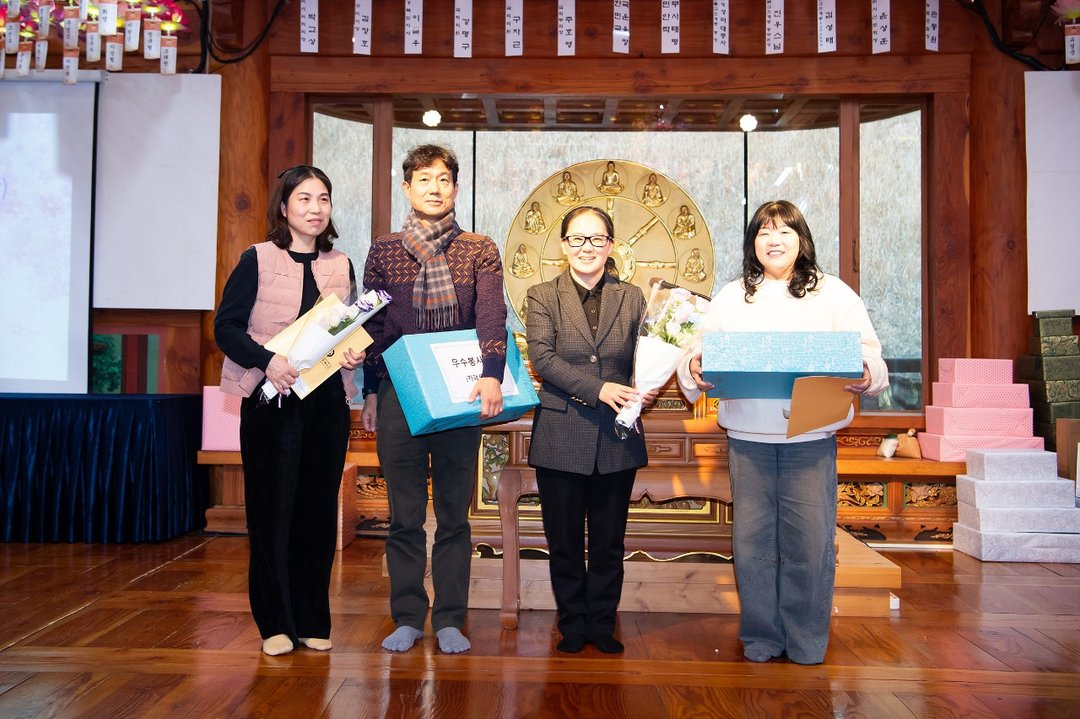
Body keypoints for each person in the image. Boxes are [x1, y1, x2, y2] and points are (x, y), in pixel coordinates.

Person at [677, 200, 887, 665]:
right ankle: (761, 635)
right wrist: (693, 367)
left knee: (809, 543)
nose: (774, 240)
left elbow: (873, 357)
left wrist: (866, 372)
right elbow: (696, 354)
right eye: (764, 232)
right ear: (752, 243)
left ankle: (806, 639)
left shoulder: (833, 294)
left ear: (801, 240)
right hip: (748, 439)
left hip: (810, 440)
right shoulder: (732, 296)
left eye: (784, 231)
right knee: (752, 544)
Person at [360, 145, 507, 654]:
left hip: (459, 393)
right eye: (424, 179)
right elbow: (373, 325)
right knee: (403, 515)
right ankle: (406, 616)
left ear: (456, 188)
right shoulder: (384, 251)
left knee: (453, 515)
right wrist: (370, 390)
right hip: (398, 393)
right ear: (407, 188)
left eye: (443, 179)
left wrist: (491, 376)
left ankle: (449, 619)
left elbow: (491, 315)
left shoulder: (479, 248)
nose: (434, 188)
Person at [214, 165, 364, 656]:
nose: (315, 209)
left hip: (326, 403)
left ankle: (312, 618)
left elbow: (347, 330)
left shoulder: (341, 264)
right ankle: (274, 623)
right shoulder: (257, 258)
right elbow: (226, 328)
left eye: (323, 199)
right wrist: (267, 361)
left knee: (317, 513)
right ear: (284, 207)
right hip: (270, 401)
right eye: (304, 199)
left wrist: (353, 353)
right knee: (272, 512)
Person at [525, 205, 655, 655]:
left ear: (610, 245)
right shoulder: (544, 295)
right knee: (563, 541)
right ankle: (572, 625)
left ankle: (602, 623)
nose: (587, 247)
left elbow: (647, 355)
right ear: (563, 246)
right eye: (577, 239)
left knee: (608, 542)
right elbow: (543, 358)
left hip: (617, 435)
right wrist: (599, 389)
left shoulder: (632, 297)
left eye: (597, 239)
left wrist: (648, 384)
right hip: (561, 430)